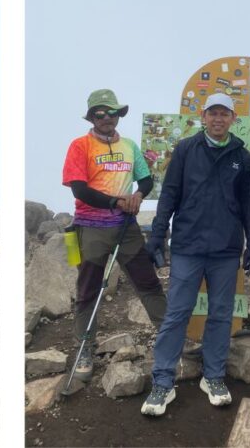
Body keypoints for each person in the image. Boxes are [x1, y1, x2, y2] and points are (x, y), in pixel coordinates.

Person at [141, 93, 250, 416]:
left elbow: (249, 204)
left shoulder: (243, 157)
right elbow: (169, 194)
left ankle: (214, 376)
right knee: (177, 312)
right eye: (213, 113)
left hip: (226, 249)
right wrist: (158, 233)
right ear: (203, 117)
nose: (218, 119)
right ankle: (163, 382)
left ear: (233, 118)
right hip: (187, 246)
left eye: (224, 114)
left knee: (221, 314)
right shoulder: (185, 150)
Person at [61, 89, 165, 384]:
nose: (107, 118)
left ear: (119, 115)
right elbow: (79, 189)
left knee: (148, 282)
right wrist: (115, 202)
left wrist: (138, 194)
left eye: (112, 112)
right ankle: (85, 348)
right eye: (100, 113)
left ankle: (170, 339)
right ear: (91, 117)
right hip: (90, 227)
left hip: (126, 228)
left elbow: (146, 179)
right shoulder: (79, 146)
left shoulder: (130, 146)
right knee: (88, 290)